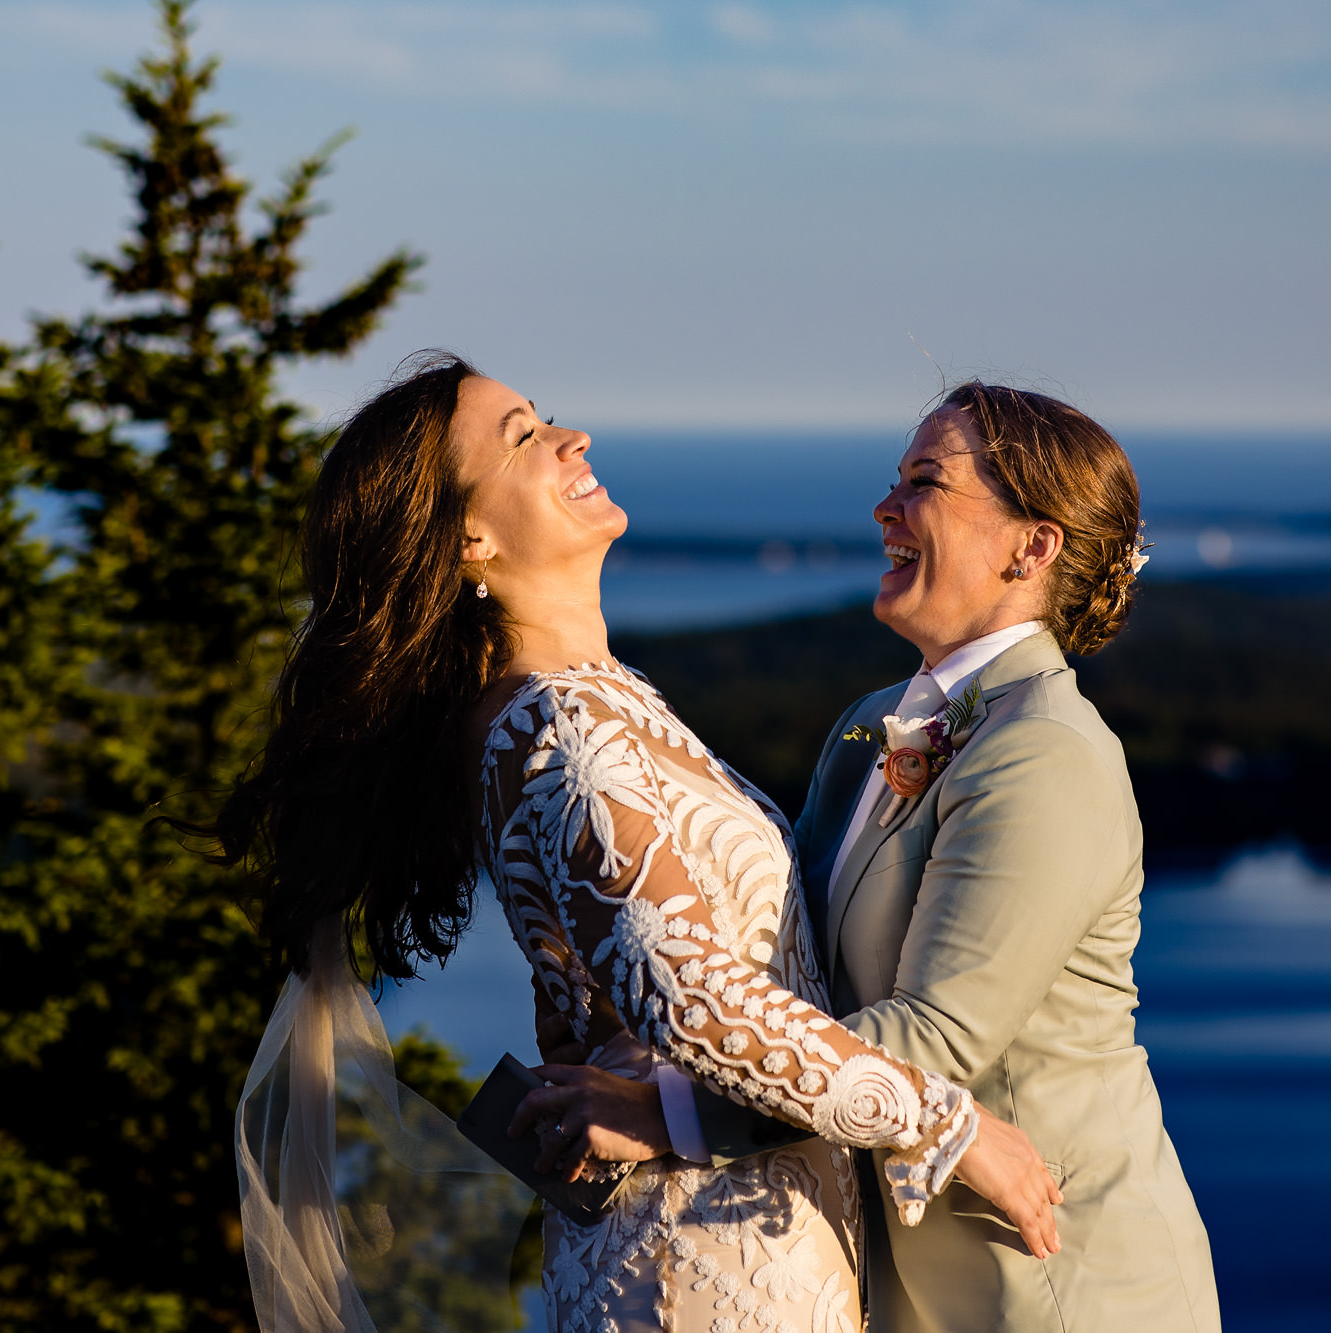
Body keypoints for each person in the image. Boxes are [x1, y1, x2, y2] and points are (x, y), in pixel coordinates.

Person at [217, 353, 1059, 1333]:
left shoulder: (578, 705)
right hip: (696, 1271)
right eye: (521, 436)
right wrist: (951, 1126)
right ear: (470, 538)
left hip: (720, 1235)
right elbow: (696, 1005)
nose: (569, 437)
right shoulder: (563, 729)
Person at [547, 383, 1221, 1331]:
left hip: (1054, 1283)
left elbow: (935, 1038)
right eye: (894, 480)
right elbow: (806, 977)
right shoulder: (873, 726)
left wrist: (677, 1115)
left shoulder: (1049, 750)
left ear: (1032, 546)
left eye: (925, 483)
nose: (885, 508)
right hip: (910, 1282)